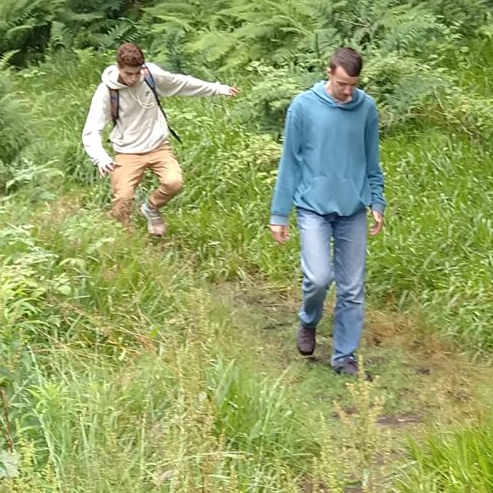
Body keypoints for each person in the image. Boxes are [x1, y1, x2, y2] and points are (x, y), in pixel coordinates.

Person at [269, 46, 385, 376]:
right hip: (313, 208)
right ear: (329, 72)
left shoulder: (366, 108)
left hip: (353, 209)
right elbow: (290, 162)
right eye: (342, 84)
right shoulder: (303, 106)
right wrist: (279, 214)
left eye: (354, 85)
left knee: (352, 289)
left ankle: (343, 357)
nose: (348, 92)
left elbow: (372, 160)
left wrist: (377, 201)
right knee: (318, 278)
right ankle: (309, 321)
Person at [82, 42, 238, 236]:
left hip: (158, 146)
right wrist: (101, 158)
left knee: (174, 182)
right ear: (118, 67)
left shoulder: (150, 76)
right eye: (128, 73)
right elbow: (91, 129)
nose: (133, 79)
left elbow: (181, 83)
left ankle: (151, 208)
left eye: (137, 73)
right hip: (127, 151)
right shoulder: (106, 91)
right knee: (122, 198)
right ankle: (122, 238)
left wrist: (217, 89)